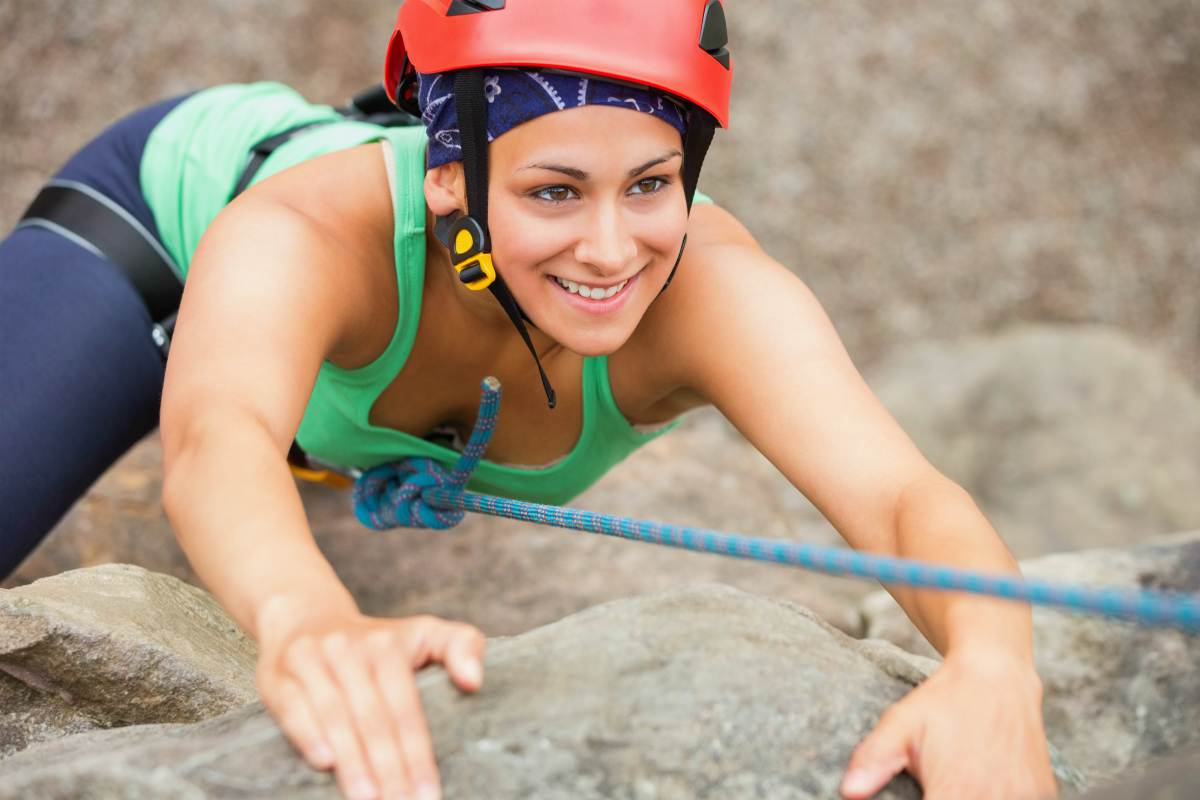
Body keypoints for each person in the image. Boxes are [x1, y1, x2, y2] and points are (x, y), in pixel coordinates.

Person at [0, 1, 1057, 798]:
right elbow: (215, 439)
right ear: (448, 177)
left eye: (650, 183)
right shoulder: (302, 238)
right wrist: (308, 620)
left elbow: (903, 498)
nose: (612, 250)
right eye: (554, 190)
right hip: (158, 227)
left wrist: (996, 667)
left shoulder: (711, 291)